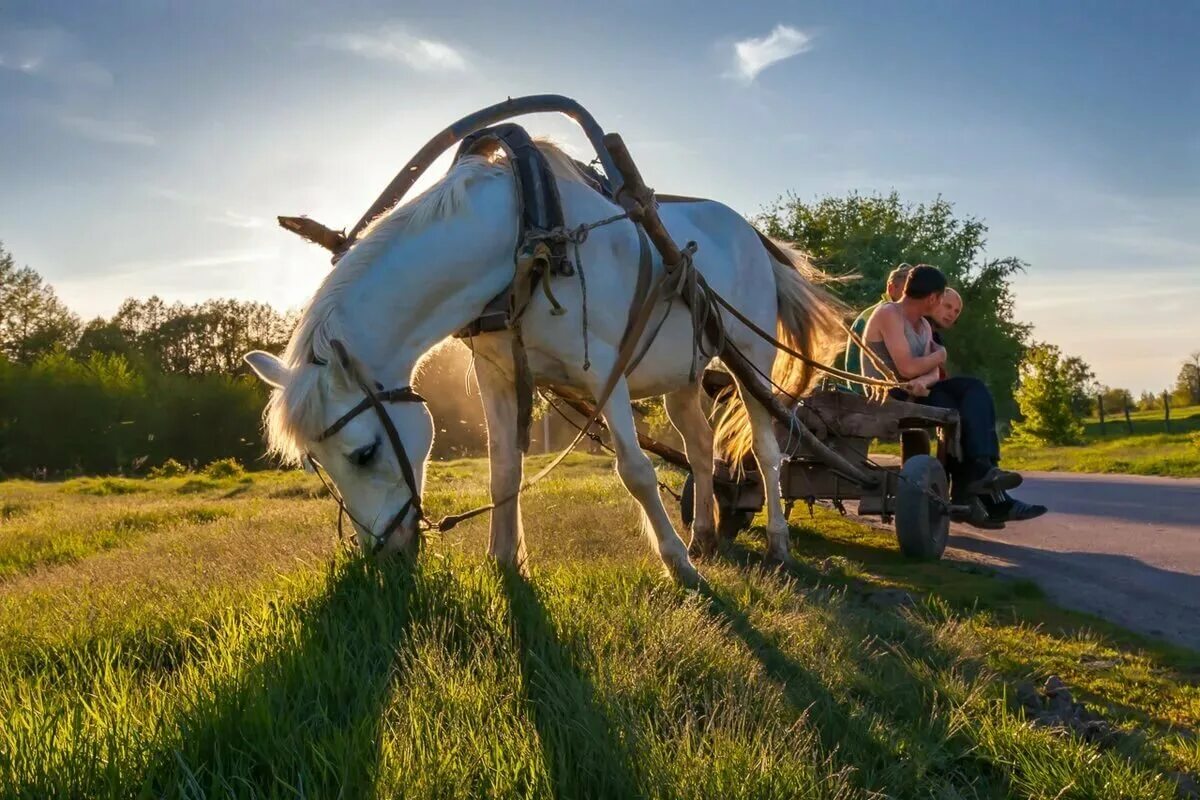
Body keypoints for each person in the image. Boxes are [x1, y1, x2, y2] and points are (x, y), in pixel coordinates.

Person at [861, 265, 1045, 526]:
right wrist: (940, 355)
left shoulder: (924, 326)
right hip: (888, 394)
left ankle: (982, 471)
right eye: (942, 299)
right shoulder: (889, 314)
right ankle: (979, 496)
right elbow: (907, 368)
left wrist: (925, 378)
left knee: (973, 390)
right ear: (933, 297)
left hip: (916, 392)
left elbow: (932, 372)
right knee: (952, 405)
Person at [843, 264, 912, 393]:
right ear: (891, 289)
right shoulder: (874, 316)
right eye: (907, 292)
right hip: (867, 395)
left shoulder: (906, 318)